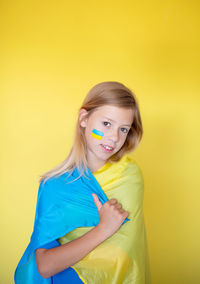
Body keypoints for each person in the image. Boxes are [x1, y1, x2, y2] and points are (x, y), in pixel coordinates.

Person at [14, 81, 152, 283]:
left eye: (124, 129)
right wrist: (103, 229)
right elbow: (44, 266)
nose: (113, 137)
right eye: (106, 124)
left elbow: (128, 248)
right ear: (84, 118)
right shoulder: (55, 186)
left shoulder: (130, 175)